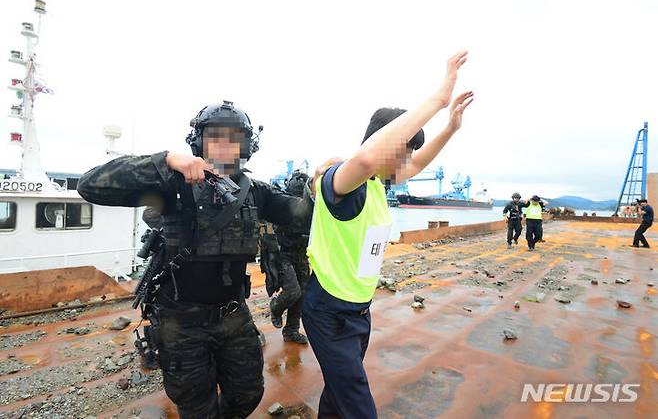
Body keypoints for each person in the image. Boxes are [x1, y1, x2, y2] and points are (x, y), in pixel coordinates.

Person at [77, 100, 313, 419]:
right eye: (215, 136)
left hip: (232, 314)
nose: (225, 145)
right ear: (199, 141)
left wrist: (329, 185)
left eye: (235, 137)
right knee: (196, 406)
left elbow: (303, 216)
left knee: (248, 393)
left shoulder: (255, 191)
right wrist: (165, 161)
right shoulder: (173, 184)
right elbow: (90, 186)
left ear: (246, 145)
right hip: (181, 320)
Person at [303, 51, 473, 419]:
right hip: (328, 311)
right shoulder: (341, 183)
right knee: (357, 401)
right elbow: (364, 160)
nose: (406, 160)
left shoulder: (380, 184)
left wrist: (450, 128)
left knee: (339, 392)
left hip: (359, 311)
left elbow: (418, 163)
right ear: (380, 142)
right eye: (403, 149)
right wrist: (438, 100)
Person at [269, 170, 312, 344]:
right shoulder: (282, 205)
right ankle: (275, 306)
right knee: (293, 291)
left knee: (302, 294)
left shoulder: (312, 206)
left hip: (301, 254)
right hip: (283, 254)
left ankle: (291, 330)